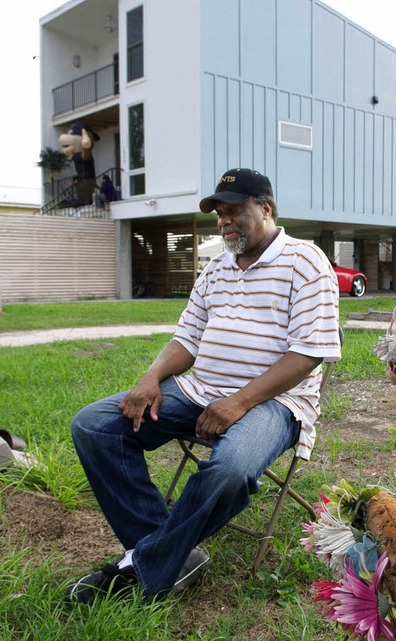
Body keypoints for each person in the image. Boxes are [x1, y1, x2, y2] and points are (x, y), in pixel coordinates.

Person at [67, 168, 342, 604]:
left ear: (265, 209)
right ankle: (170, 551)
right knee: (94, 425)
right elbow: (187, 338)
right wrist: (151, 377)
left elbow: (309, 353)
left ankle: (143, 565)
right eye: (219, 213)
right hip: (197, 391)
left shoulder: (306, 262)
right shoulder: (216, 267)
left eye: (234, 211)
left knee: (232, 467)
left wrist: (238, 402)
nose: (224, 221)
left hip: (274, 403)